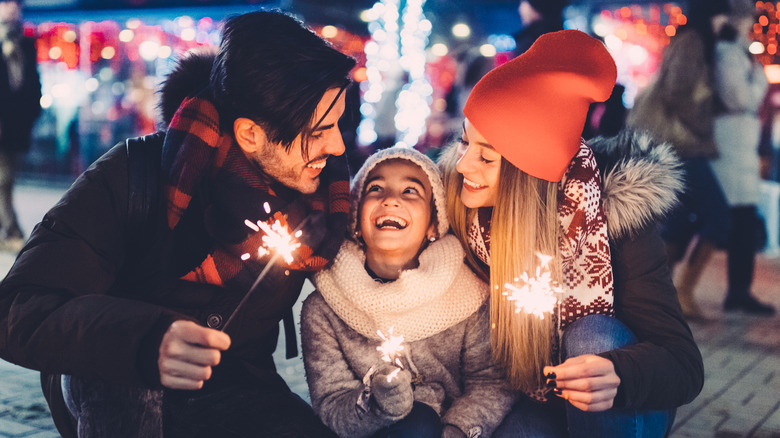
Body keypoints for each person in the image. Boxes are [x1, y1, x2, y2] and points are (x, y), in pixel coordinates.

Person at [0, 10, 355, 438]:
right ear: (250, 135)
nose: (336, 145)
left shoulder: (320, 203)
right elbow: (18, 306)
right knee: (126, 389)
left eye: (338, 124)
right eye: (320, 130)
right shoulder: (134, 176)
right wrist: (145, 340)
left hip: (239, 392)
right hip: (120, 385)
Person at [440, 30, 703, 437]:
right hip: (532, 396)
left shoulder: (617, 221)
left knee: (593, 335)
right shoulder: (462, 208)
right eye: (463, 143)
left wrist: (619, 373)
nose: (463, 166)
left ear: (527, 174)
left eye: (486, 156)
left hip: (622, 401)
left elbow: (684, 365)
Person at [301, 146, 515, 438]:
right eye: (375, 188)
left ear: (432, 224)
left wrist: (457, 430)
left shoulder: (468, 293)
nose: (390, 200)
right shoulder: (325, 307)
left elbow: (490, 384)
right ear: (356, 221)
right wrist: (377, 404)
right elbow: (331, 403)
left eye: (410, 191)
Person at [627, 0, 733, 319]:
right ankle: (681, 291)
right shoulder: (694, 42)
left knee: (677, 221)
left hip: (677, 145)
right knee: (719, 215)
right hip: (681, 144)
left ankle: (648, 293)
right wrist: (700, 124)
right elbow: (676, 90)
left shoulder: (691, 40)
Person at [710, 6, 774, 315]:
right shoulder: (728, 53)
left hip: (738, 149)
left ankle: (739, 291)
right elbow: (739, 97)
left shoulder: (735, 52)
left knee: (738, 222)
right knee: (732, 222)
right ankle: (736, 292)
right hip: (730, 149)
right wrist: (759, 79)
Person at [0, 0, 40, 252]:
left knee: (7, 180)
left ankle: (10, 231)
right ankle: (13, 230)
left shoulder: (25, 43)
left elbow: (32, 85)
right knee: (2, 180)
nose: (12, 8)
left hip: (14, 129)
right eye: (6, 3)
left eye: (16, 4)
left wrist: (32, 115)